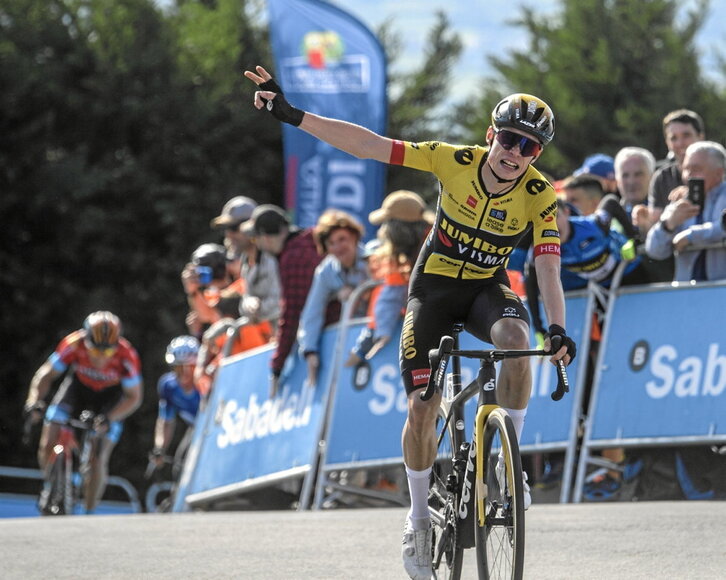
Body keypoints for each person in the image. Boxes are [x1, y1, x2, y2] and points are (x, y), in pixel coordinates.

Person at [245, 66, 576, 580]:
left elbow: (547, 266)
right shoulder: (453, 161)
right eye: (509, 140)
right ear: (491, 136)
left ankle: (505, 468)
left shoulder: (539, 193)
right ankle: (419, 516)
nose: (514, 154)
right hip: (434, 290)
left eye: (529, 148)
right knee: (422, 406)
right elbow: (369, 146)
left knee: (518, 337)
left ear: (538, 155)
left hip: (486, 290)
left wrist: (557, 329)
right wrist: (294, 117)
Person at [23, 311, 143, 514]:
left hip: (109, 401)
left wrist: (109, 418)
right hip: (77, 391)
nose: (100, 358)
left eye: (107, 353)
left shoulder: (127, 355)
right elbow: (45, 375)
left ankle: (89, 512)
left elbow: (134, 398)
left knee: (98, 458)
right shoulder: (73, 343)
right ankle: (51, 486)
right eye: (95, 351)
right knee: (48, 439)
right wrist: (34, 402)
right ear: (85, 340)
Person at [241, 203, 325, 397]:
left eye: (256, 238)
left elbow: (293, 312)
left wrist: (276, 365)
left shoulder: (292, 257)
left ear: (266, 238)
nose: (257, 244)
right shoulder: (305, 241)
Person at [345, 190, 434, 365]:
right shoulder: (409, 254)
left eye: (386, 224)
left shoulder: (434, 248)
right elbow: (391, 297)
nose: (383, 230)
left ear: (395, 229)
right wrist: (380, 334)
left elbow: (392, 296)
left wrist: (380, 335)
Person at [297, 209, 368, 386]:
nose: (338, 247)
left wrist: (361, 294)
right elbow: (312, 311)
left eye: (342, 239)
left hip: (376, 335)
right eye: (331, 243)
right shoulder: (326, 271)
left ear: (354, 237)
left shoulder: (373, 259)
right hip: (351, 341)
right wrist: (310, 351)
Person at [646, 140, 726, 282]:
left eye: (696, 169)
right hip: (686, 294)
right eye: (685, 168)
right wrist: (667, 225)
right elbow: (654, 251)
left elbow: (723, 227)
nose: (689, 175)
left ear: (719, 173)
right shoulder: (679, 201)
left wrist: (691, 236)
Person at [149, 336, 201, 481]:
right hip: (195, 428)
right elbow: (166, 421)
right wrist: (160, 449)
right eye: (178, 367)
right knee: (180, 466)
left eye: (189, 367)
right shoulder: (168, 386)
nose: (184, 374)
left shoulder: (207, 384)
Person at [648, 109, 705, 223]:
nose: (680, 143)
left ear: (700, 137)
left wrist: (692, 194)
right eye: (673, 138)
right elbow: (657, 227)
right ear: (667, 143)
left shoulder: (718, 170)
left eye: (686, 135)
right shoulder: (661, 178)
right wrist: (645, 223)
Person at [181, 243, 233, 338]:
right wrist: (192, 291)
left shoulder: (240, 285)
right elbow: (203, 317)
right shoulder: (209, 294)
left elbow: (209, 313)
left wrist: (193, 292)